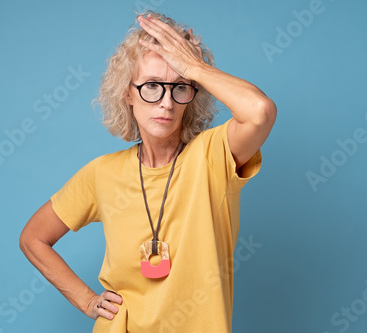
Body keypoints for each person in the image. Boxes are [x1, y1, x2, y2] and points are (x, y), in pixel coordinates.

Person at [19, 11, 276, 333]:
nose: (166, 102)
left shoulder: (215, 155)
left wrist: (196, 67)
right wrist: (86, 300)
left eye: (180, 87)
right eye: (152, 86)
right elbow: (34, 238)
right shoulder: (102, 173)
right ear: (128, 92)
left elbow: (260, 112)